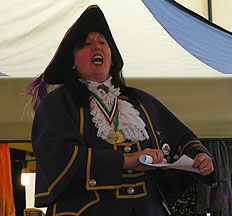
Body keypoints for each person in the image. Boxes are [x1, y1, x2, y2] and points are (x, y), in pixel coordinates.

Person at [26, 5, 218, 216]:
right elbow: (59, 157)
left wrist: (200, 156)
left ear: (111, 57)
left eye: (102, 42)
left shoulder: (141, 101)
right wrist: (127, 161)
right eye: (87, 44)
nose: (96, 47)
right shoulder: (58, 104)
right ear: (72, 62)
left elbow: (181, 138)